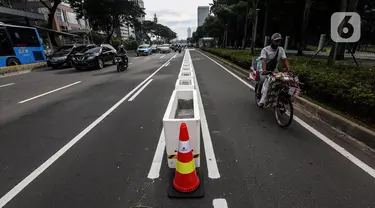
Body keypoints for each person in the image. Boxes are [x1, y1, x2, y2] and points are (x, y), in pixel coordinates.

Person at [257, 33, 291, 106]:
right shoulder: (265, 50)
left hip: (274, 70)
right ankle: (259, 94)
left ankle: (279, 98)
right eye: (276, 41)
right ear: (272, 41)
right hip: (264, 69)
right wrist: (264, 70)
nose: (277, 43)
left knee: (282, 81)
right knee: (263, 80)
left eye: (279, 41)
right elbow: (263, 61)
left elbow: (284, 59)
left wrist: (288, 69)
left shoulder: (281, 49)